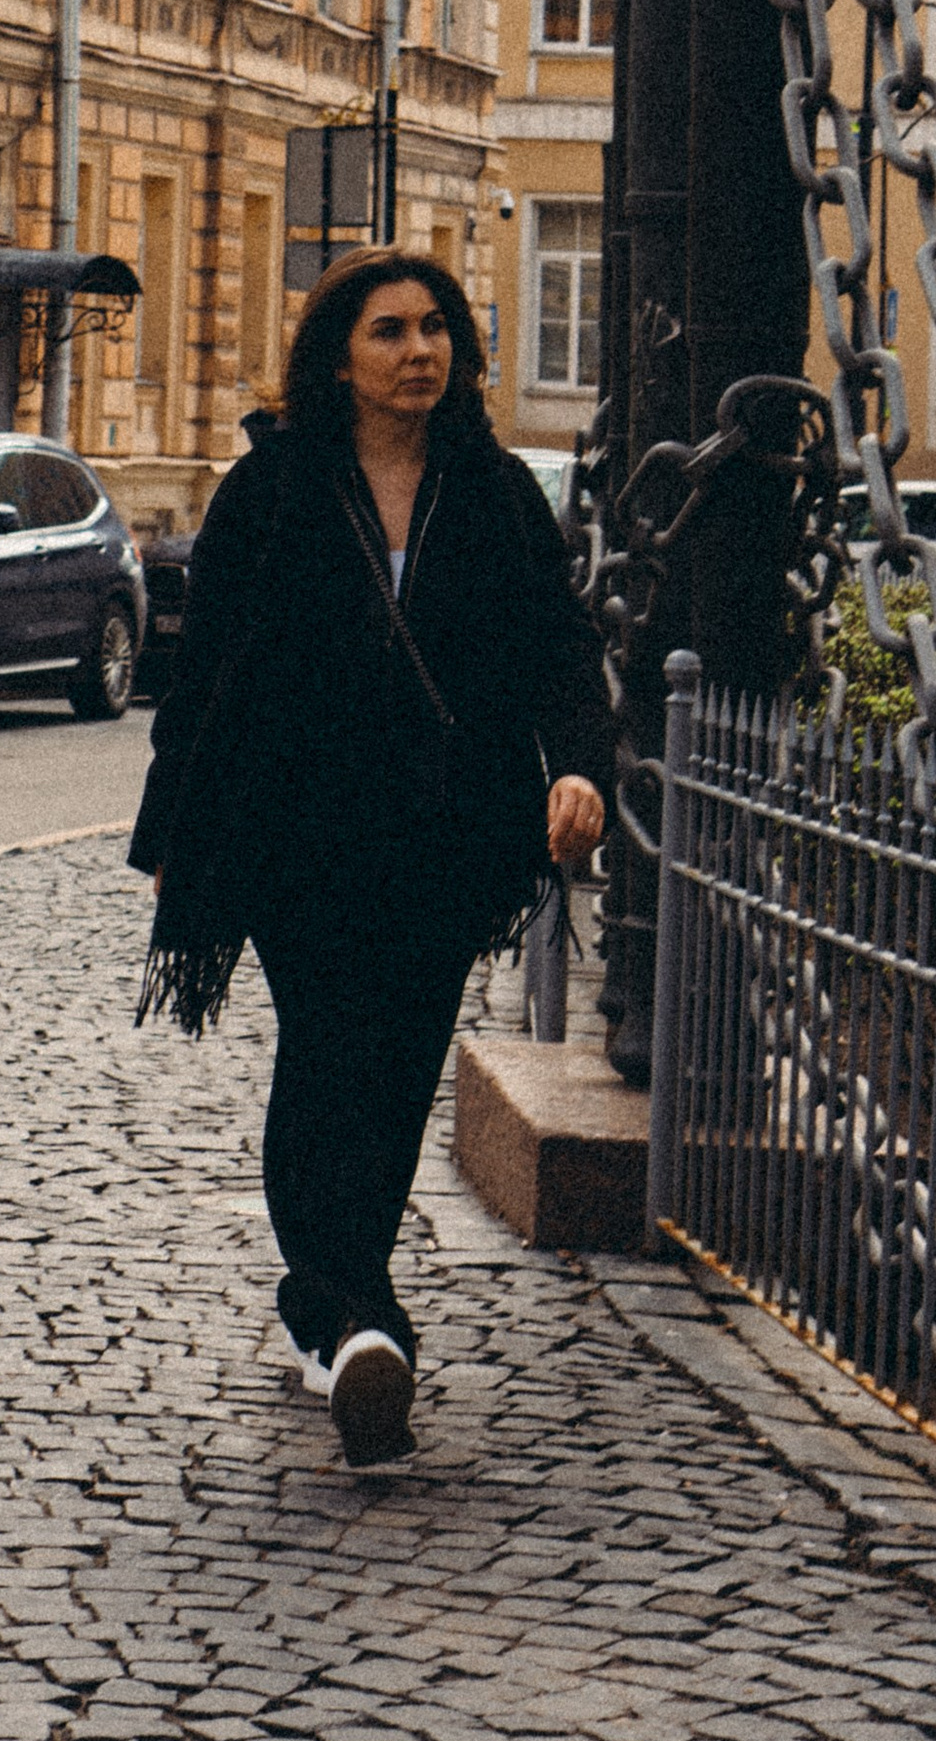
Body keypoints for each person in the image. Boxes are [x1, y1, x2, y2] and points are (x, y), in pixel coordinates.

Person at [132, 248, 612, 1467]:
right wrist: (170, 838)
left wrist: (577, 766)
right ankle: (359, 1316)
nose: (419, 351)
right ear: (337, 356)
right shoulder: (275, 488)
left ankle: (329, 1308)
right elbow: (205, 679)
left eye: (436, 329)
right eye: (390, 331)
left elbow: (558, 645)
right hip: (300, 836)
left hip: (448, 842)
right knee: (325, 1053)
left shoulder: (495, 491)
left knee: (397, 1073)